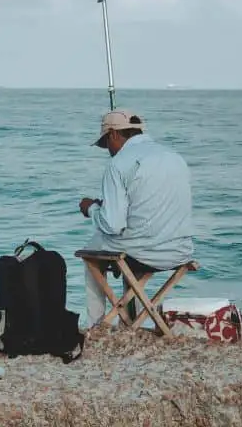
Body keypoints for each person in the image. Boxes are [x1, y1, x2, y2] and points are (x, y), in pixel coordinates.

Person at [78, 109, 193, 326]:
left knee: (91, 252)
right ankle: (131, 319)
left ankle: (97, 324)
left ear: (113, 134)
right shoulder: (174, 157)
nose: (108, 151)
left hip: (144, 253)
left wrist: (92, 208)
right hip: (180, 251)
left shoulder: (118, 164)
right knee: (130, 241)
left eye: (106, 144)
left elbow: (113, 225)